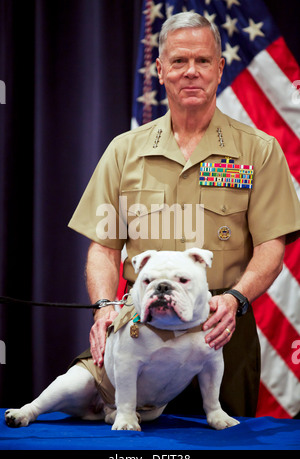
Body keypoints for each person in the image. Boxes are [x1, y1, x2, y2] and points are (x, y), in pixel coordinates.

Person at [68, 12, 300, 417]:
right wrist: (105, 305)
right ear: (160, 70)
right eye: (178, 61)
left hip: (221, 326)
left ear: (220, 67)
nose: (191, 72)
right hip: (140, 329)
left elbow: (270, 247)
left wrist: (235, 299)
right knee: (130, 448)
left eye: (202, 61)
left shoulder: (259, 151)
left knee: (229, 443)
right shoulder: (124, 151)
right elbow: (102, 248)